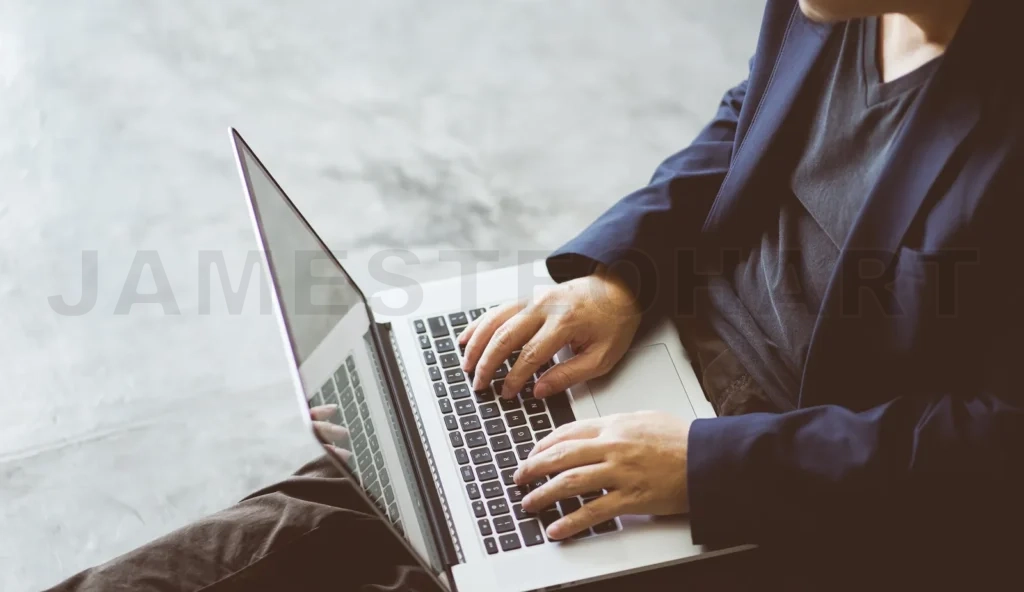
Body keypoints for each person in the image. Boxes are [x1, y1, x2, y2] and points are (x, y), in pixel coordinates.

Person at [49, 0, 1024, 590]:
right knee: (353, 497)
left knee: (434, 564)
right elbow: (744, 126)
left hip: (789, 464)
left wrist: (707, 465)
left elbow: (997, 440)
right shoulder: (833, 11)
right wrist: (618, 276)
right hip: (659, 357)